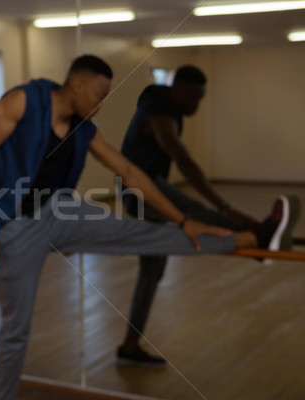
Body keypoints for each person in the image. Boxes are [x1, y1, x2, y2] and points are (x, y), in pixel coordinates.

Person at [0, 55, 294, 400]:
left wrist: (184, 219)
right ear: (77, 85)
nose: (101, 104)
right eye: (99, 94)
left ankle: (254, 238)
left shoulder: (84, 130)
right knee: (17, 329)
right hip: (12, 229)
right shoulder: (24, 101)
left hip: (57, 212)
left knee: (141, 232)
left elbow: (130, 173)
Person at [117, 65, 300, 368]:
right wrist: (224, 206)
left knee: (151, 273)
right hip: (139, 189)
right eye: (192, 97)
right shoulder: (159, 110)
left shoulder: (168, 107)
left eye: (200, 99)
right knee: (195, 211)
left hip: (147, 187)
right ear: (176, 89)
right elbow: (182, 158)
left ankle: (129, 346)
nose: (196, 106)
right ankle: (260, 235)